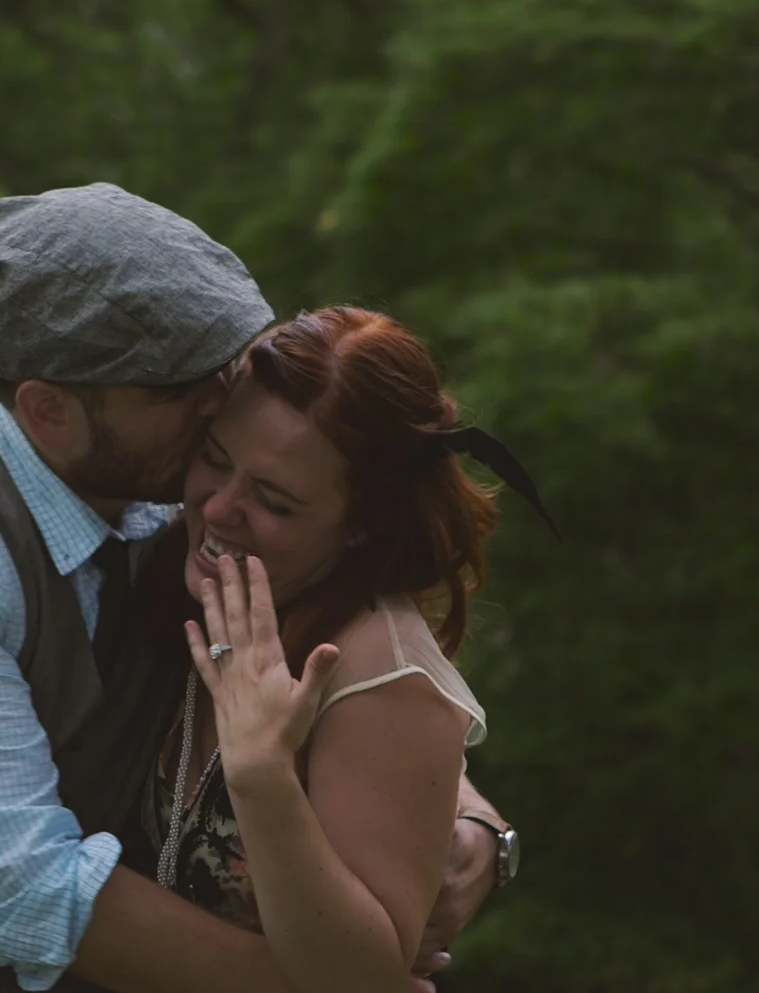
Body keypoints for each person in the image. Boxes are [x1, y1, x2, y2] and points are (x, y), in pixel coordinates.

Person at [0, 184, 515, 993]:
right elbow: (21, 891)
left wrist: (463, 818)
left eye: (228, 364)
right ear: (50, 412)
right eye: (186, 389)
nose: (227, 400)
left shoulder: (170, 498)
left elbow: (364, 689)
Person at [135, 307, 553, 991]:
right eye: (215, 458)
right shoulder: (186, 573)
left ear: (362, 524)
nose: (217, 509)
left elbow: (361, 979)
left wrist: (264, 777)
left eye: (273, 499)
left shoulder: (378, 677)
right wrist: (476, 817)